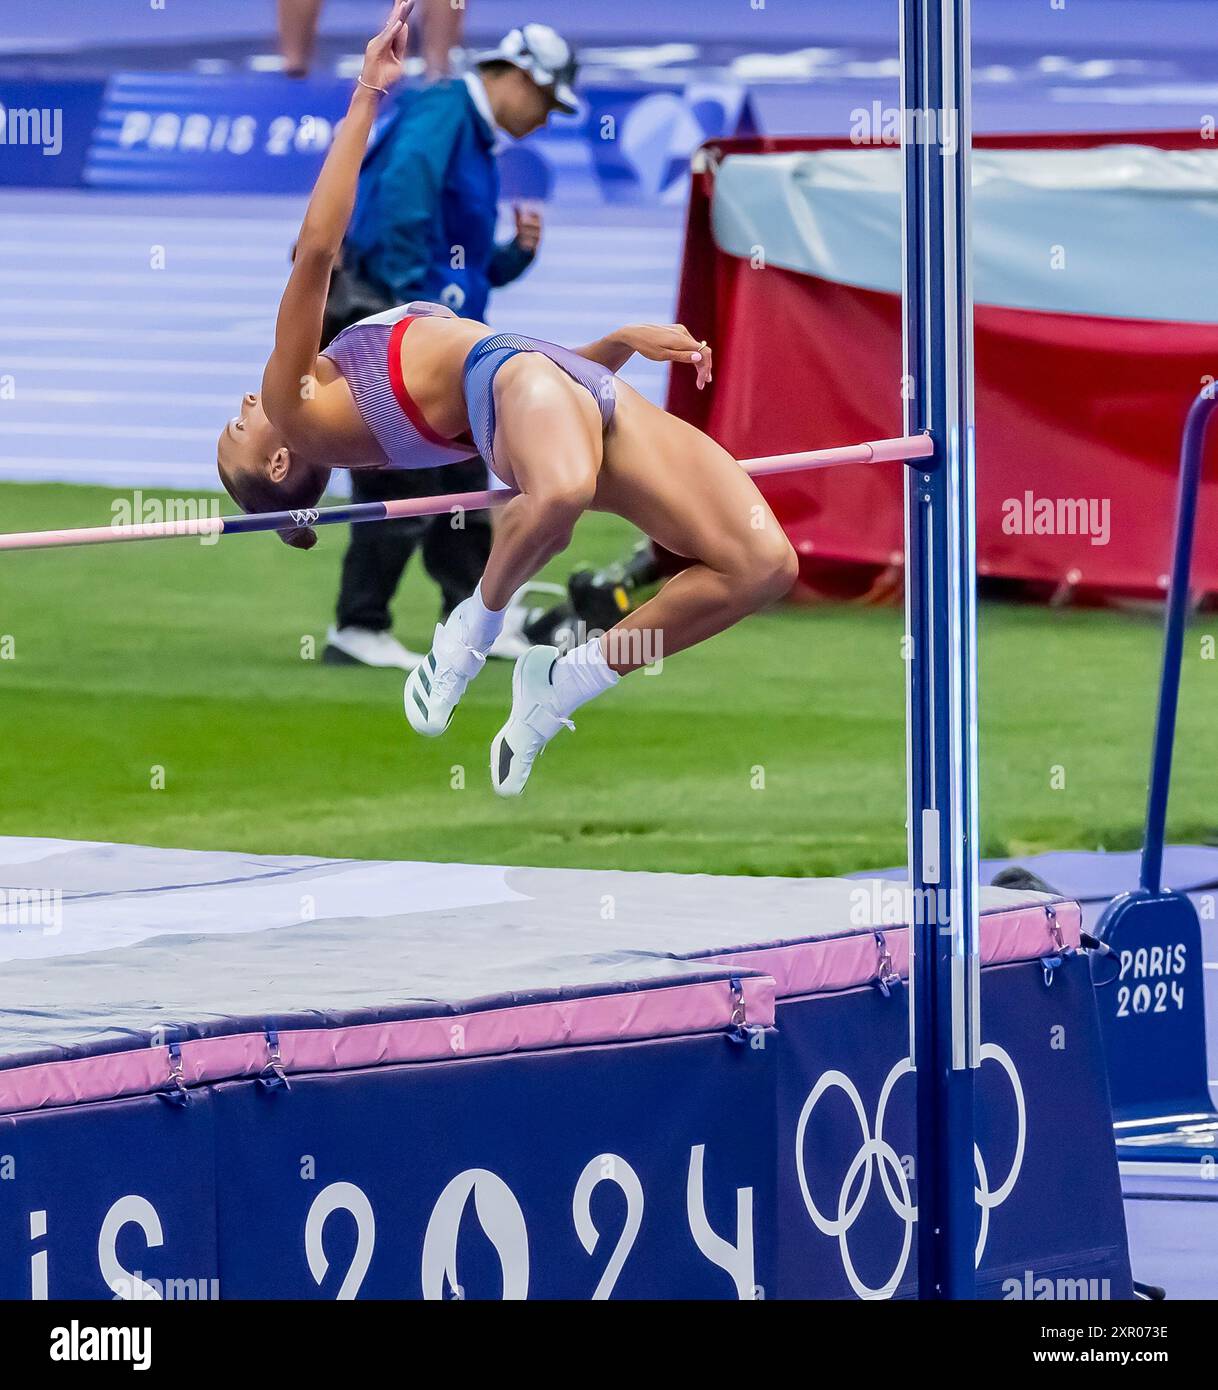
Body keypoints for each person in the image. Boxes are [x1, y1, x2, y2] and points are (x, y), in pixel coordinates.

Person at [217, 4, 797, 797]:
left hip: (564, 385)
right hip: (524, 383)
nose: (246, 404)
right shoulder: (298, 406)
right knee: (558, 489)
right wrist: (364, 92)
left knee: (762, 566)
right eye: (236, 429)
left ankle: (566, 683)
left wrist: (619, 340)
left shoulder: (354, 398)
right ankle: (470, 629)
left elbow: (532, 389)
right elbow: (318, 249)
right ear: (280, 455)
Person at [324, 21, 576, 670]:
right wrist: (410, 314)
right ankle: (357, 626)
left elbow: (461, 266)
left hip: (439, 343)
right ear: (516, 78)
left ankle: (470, 617)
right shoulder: (443, 113)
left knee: (464, 482)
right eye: (546, 103)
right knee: (405, 482)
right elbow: (403, 201)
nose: (546, 120)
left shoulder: (474, 135)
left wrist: (512, 257)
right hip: (397, 333)